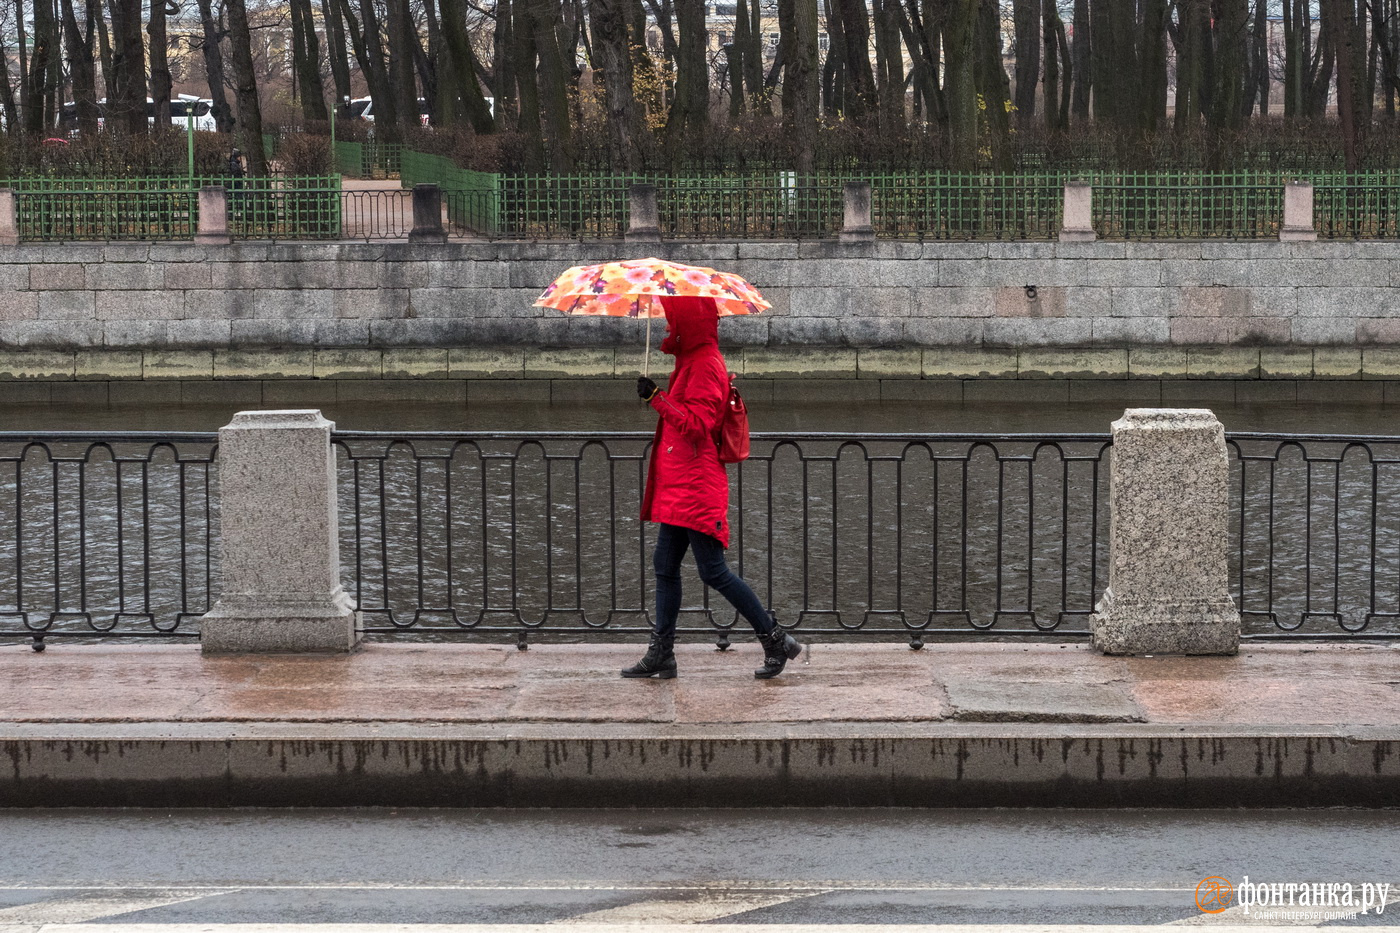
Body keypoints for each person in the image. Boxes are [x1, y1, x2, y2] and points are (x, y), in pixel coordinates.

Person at [622, 295, 802, 681]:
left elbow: (698, 425)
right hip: (680, 483)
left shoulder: (704, 364)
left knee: (713, 571)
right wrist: (660, 397)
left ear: (689, 322)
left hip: (696, 484)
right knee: (665, 567)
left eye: (674, 321)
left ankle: (775, 639)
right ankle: (662, 654)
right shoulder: (690, 359)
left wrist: (657, 398)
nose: (669, 329)